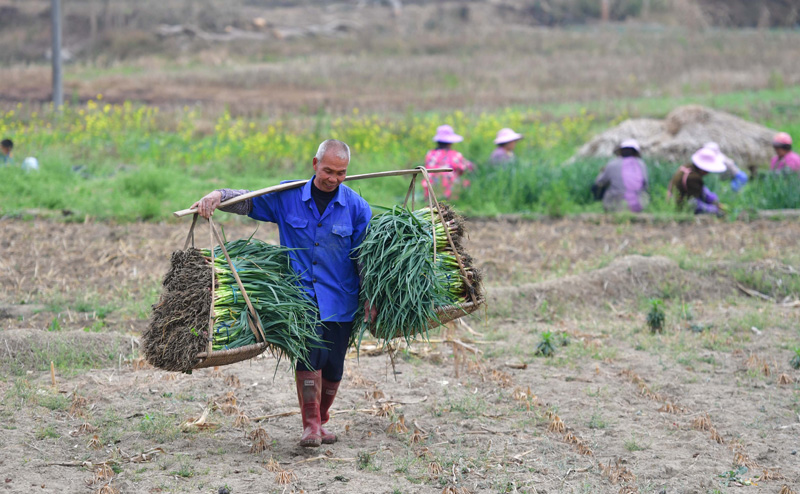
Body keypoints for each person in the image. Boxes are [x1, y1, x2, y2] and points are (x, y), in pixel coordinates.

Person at [192, 139, 373, 448]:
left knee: (333, 365)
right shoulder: (288, 196)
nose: (333, 178)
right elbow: (249, 201)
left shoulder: (357, 207)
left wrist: (369, 297)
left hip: (341, 296)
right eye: (328, 170)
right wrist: (218, 195)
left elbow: (365, 257)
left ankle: (323, 420)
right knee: (308, 356)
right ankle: (310, 426)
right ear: (315, 165)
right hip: (299, 295)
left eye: (341, 173)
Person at [592, 139, 649, 213]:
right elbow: (646, 185)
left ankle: (600, 206)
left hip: (616, 202)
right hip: (639, 203)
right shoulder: (642, 164)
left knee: (596, 187)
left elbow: (599, 182)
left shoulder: (612, 164)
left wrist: (603, 171)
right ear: (636, 152)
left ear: (620, 151)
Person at [668, 147, 726, 215]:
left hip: (677, 198)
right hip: (680, 204)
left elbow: (703, 191)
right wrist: (715, 210)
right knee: (716, 212)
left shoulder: (687, 166)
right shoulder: (693, 178)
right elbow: (696, 202)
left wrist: (715, 201)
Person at [422, 125, 474, 200]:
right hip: (448, 191)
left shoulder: (430, 154)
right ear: (450, 143)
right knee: (466, 182)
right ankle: (459, 200)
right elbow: (465, 168)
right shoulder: (455, 155)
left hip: (430, 189)